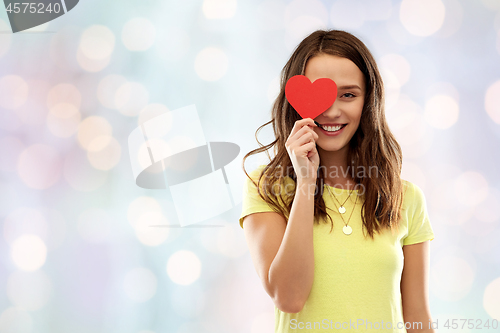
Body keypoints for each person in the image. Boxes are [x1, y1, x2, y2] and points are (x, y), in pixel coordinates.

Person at [239, 30, 436, 333]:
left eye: (348, 95)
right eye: (321, 95)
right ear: (294, 101)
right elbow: (289, 298)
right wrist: (306, 182)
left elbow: (417, 318)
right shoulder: (268, 187)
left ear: (368, 101)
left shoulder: (405, 197)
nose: (331, 111)